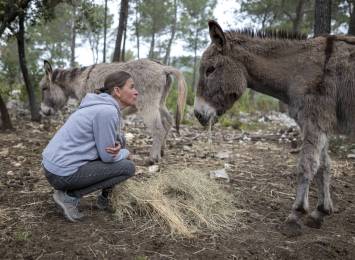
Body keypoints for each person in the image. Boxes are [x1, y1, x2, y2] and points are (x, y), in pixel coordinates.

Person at [42, 71, 138, 222]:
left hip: (53, 166)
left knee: (121, 140)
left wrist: (119, 146)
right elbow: (107, 157)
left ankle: (105, 199)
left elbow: (106, 147)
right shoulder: (107, 111)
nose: (136, 92)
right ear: (117, 91)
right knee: (128, 167)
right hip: (61, 173)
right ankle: (69, 197)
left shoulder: (100, 105)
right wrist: (125, 152)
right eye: (132, 87)